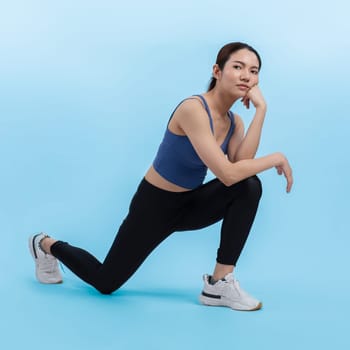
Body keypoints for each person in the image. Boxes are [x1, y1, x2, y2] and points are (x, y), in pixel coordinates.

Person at [29, 42, 293, 312]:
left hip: (190, 204)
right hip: (154, 206)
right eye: (238, 67)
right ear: (217, 71)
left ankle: (219, 283)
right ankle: (46, 244)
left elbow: (241, 167)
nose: (247, 76)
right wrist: (276, 158)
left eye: (254, 70)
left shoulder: (234, 122)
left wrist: (261, 111)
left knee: (249, 186)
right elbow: (226, 174)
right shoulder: (193, 110)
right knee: (106, 281)